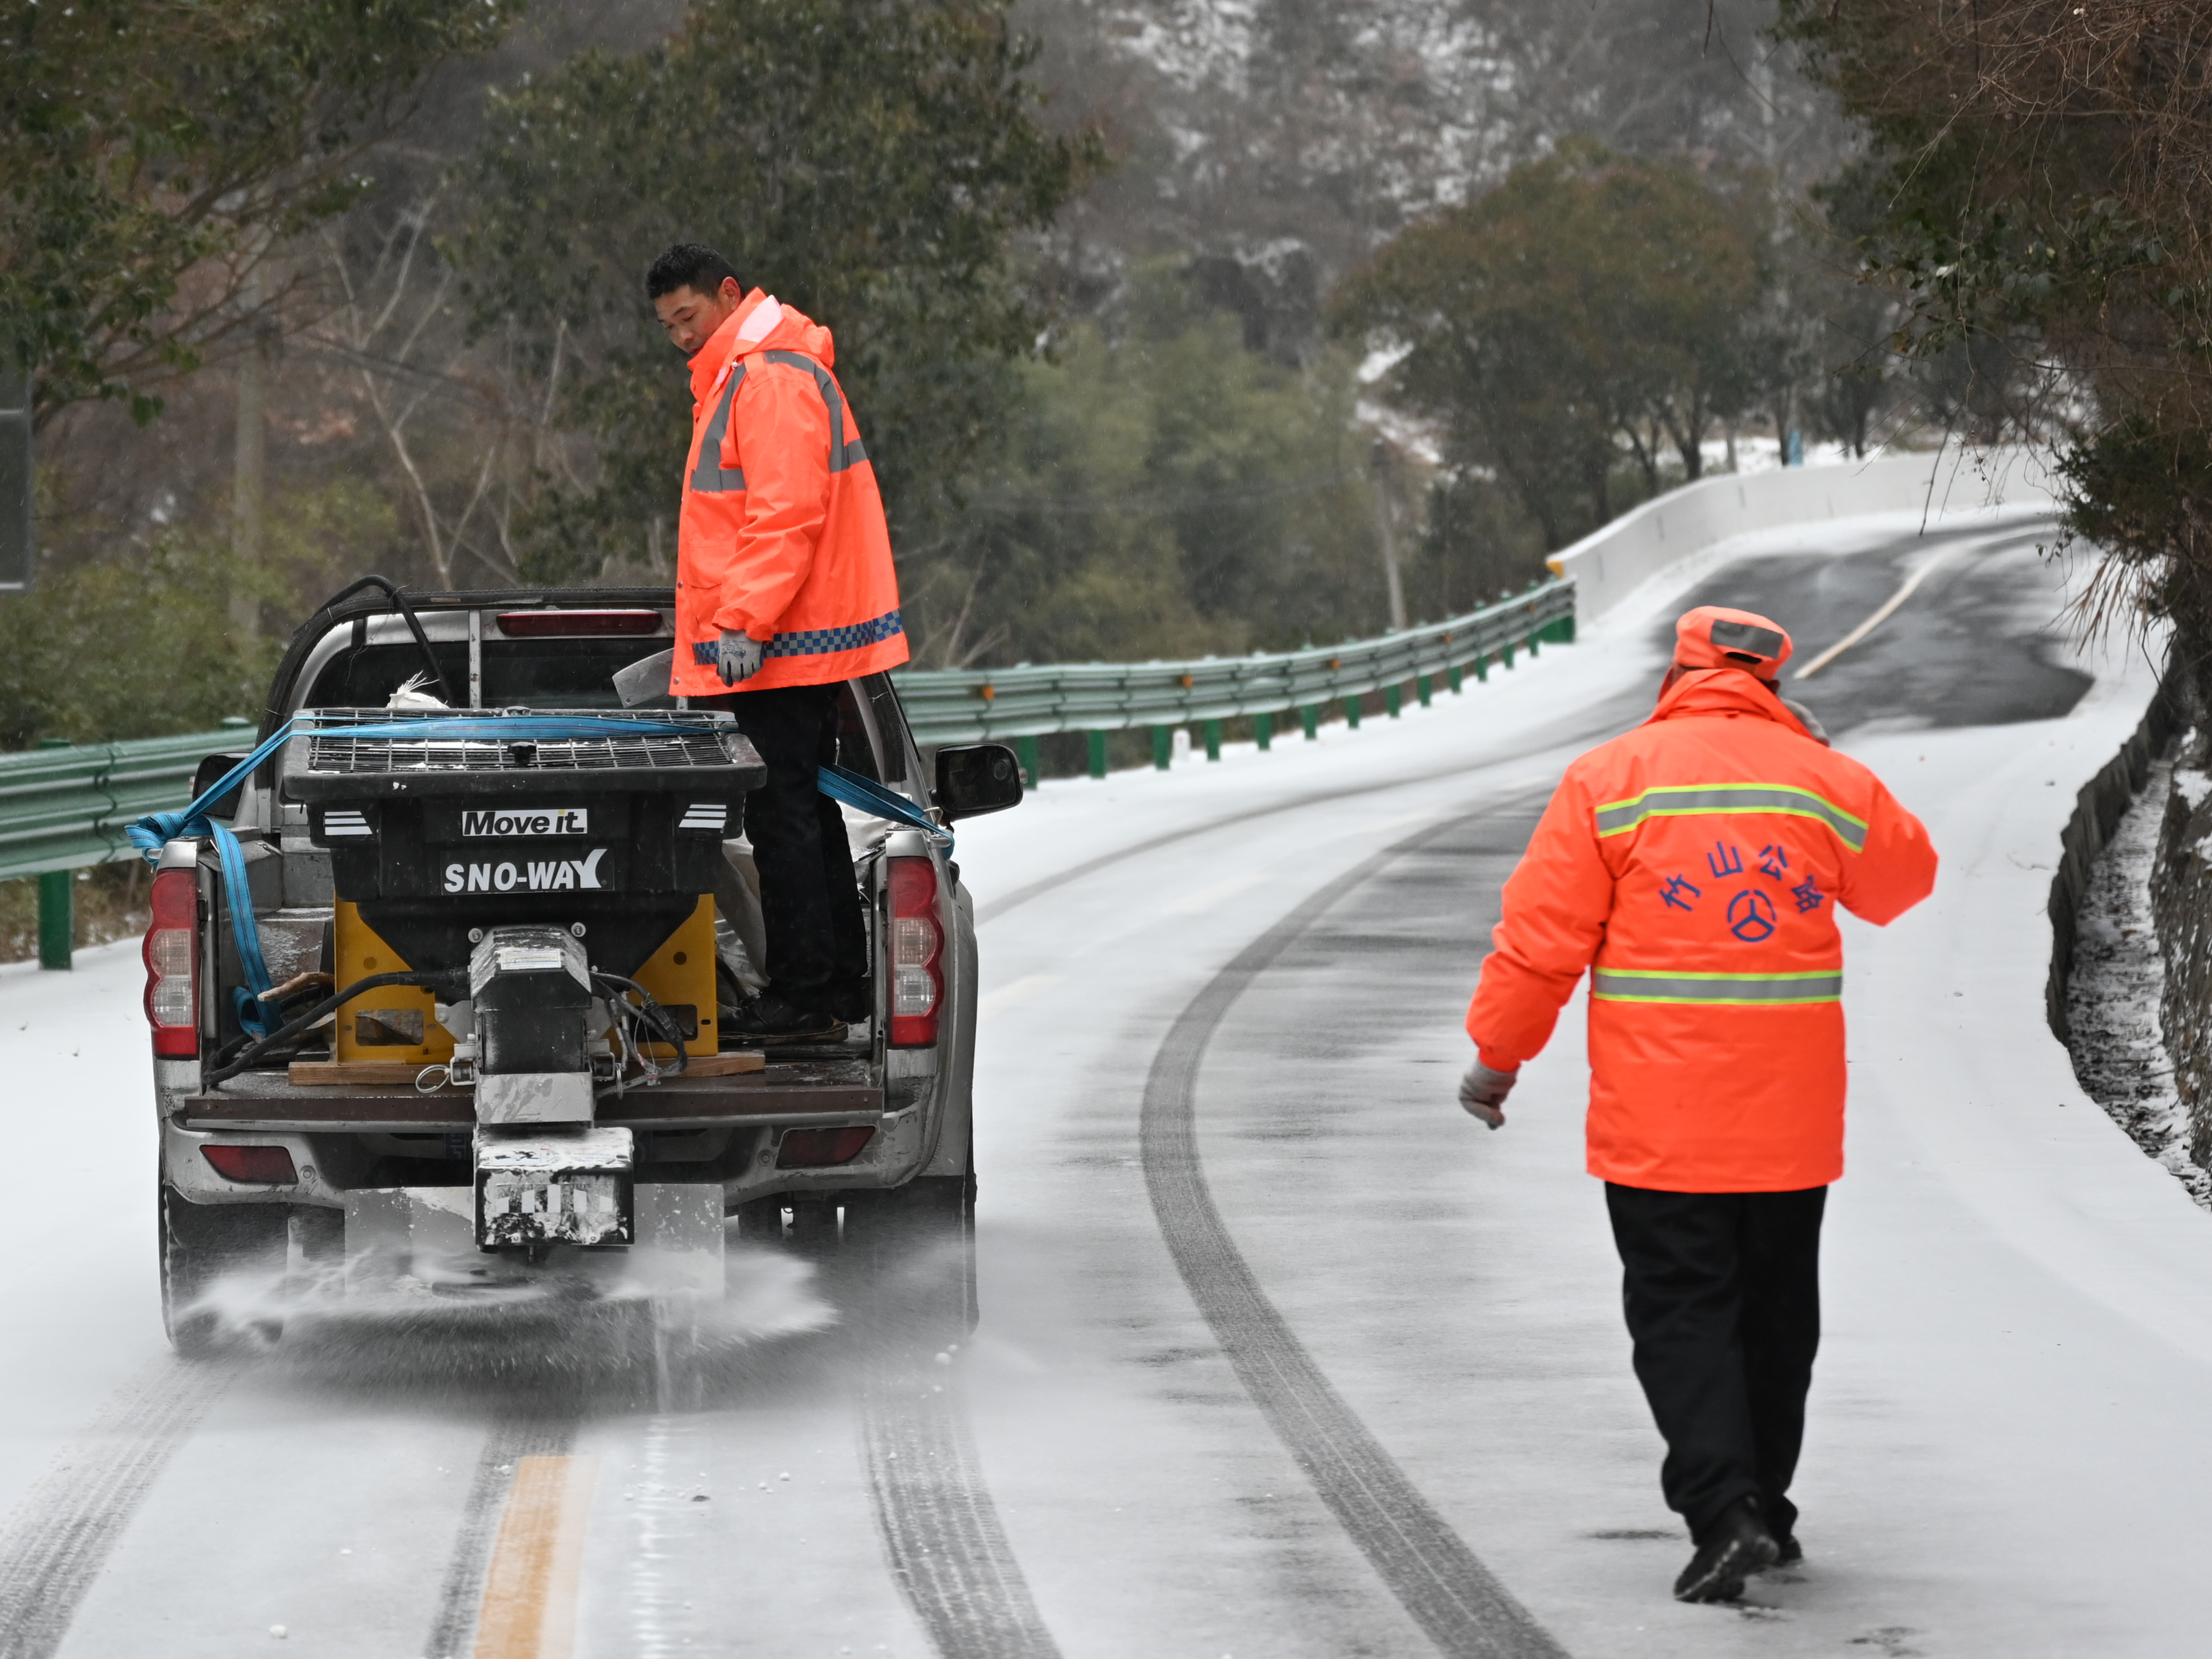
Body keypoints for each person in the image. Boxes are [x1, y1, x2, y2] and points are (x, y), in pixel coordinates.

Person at [1458, 605, 1937, 1604]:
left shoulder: (1609, 780)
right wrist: (1821, 763)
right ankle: (1764, 1499)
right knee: (1775, 1314)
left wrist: (1496, 1059)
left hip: (1659, 1121)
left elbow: (1539, 942)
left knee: (1683, 1311)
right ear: (1769, 680)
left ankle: (1726, 1511)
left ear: (1674, 677)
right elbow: (1904, 878)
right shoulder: (1819, 778)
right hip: (1790, 1122)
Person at [648, 243, 909, 1040]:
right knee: (800, 807)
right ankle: (832, 983)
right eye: (666, 327)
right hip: (791, 636)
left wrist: (742, 622)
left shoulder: (768, 377)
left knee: (782, 815)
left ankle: (804, 993)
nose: (679, 339)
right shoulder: (755, 372)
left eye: (687, 318)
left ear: (727, 295)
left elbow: (784, 515)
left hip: (781, 640)